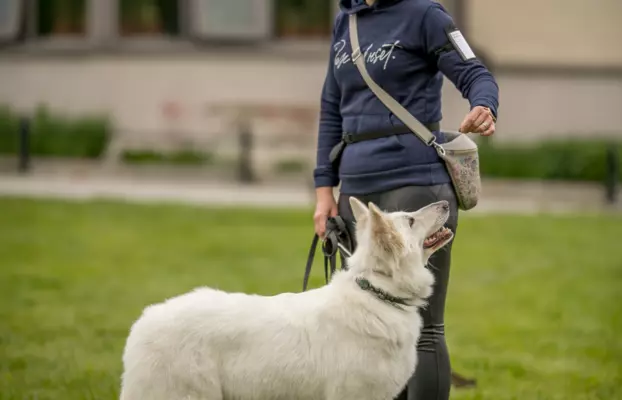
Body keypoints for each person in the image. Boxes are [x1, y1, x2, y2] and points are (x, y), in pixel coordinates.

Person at [312, 0, 499, 399]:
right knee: (369, 329)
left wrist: (484, 104)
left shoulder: (425, 15)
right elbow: (332, 107)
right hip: (356, 195)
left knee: (424, 329)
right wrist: (323, 190)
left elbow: (474, 71)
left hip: (416, 184)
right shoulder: (346, 21)